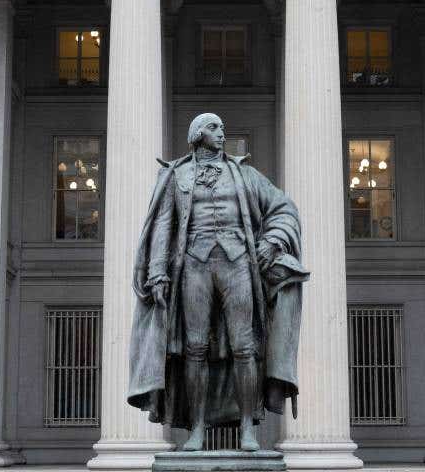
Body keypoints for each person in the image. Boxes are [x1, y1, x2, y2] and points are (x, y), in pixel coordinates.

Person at [127, 113, 308, 452]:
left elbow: (284, 207)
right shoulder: (175, 176)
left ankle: (247, 429)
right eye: (214, 127)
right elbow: (163, 226)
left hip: (239, 262)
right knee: (195, 349)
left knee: (245, 347)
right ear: (197, 134)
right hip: (193, 264)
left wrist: (273, 240)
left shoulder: (245, 174)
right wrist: (157, 272)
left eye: (223, 127)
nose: (222, 132)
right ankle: (196, 429)